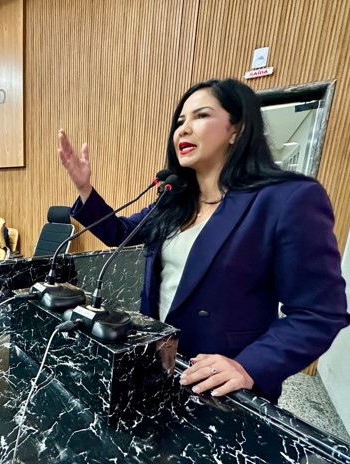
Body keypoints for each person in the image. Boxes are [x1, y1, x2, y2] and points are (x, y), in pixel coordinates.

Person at [58, 78, 349, 403]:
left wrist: (249, 365)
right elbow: (121, 233)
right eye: (180, 121)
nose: (183, 129)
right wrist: (85, 190)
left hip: (221, 382)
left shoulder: (287, 199)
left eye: (201, 116)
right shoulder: (174, 198)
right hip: (159, 359)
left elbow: (319, 312)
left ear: (237, 128)